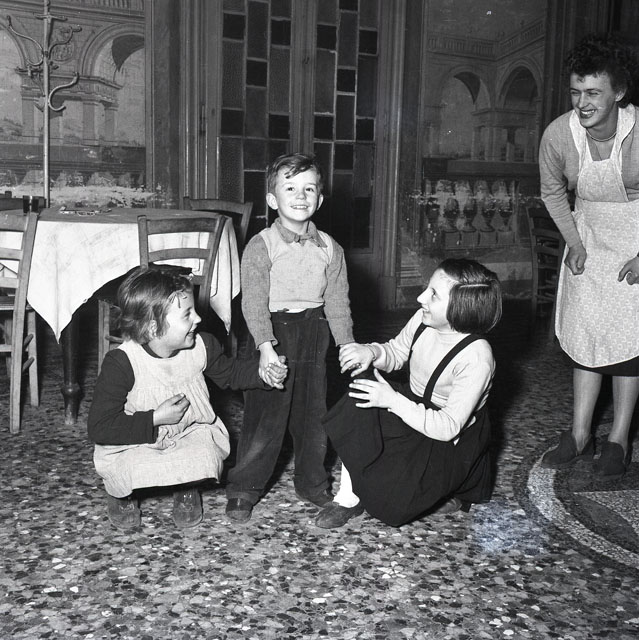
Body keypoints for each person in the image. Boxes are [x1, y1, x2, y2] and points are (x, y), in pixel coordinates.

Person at [88, 267, 286, 530]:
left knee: (205, 452)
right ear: (154, 328)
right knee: (126, 465)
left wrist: (263, 373)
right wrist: (154, 418)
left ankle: (186, 486)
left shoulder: (202, 345)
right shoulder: (122, 363)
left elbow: (231, 374)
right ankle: (122, 495)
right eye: (187, 314)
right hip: (137, 440)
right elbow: (99, 427)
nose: (198, 318)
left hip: (185, 433)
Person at [315, 259, 502, 529]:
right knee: (359, 399)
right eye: (427, 288)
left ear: (462, 307)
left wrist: (391, 401)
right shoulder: (424, 319)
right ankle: (348, 498)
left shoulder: (476, 357)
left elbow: (448, 426)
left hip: (448, 432)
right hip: (412, 402)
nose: (421, 298)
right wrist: (371, 352)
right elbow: (396, 352)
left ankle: (448, 492)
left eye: (434, 294)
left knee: (394, 504)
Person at [225, 152, 355, 523]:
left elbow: (338, 302)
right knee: (265, 418)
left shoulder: (330, 247)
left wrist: (346, 344)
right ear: (272, 199)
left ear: (320, 199)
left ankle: (312, 483)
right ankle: (244, 488)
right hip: (271, 333)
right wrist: (266, 349)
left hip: (314, 332)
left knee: (314, 415)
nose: (300, 196)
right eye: (290, 188)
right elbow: (252, 302)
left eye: (309, 189)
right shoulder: (261, 244)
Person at [539, 34, 639, 479]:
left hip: (636, 236)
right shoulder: (559, 134)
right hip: (589, 233)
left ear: (619, 92)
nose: (582, 103)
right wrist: (575, 244)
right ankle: (580, 434)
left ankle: (618, 438)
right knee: (585, 332)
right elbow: (552, 192)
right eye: (576, 92)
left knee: (629, 340)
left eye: (594, 93)